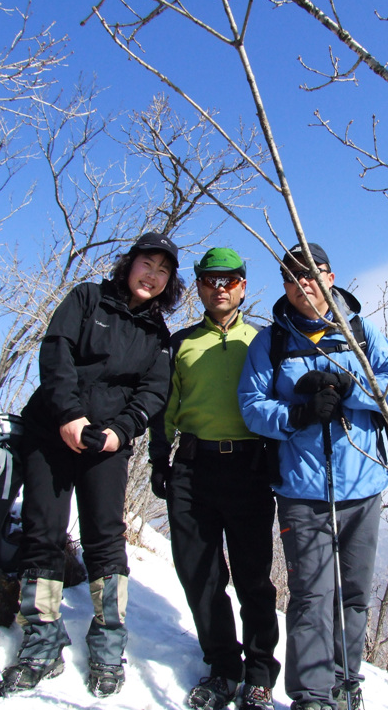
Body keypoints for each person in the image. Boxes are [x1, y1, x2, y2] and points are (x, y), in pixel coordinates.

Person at [1, 231, 184, 698]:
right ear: (130, 264)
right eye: (148, 264)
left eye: (164, 271)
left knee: (105, 539)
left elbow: (153, 393)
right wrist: (67, 415)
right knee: (43, 532)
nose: (154, 276)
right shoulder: (86, 298)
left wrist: (120, 431)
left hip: (107, 444)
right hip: (52, 432)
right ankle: (41, 640)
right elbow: (55, 353)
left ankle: (108, 641)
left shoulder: (157, 334)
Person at [237, 243, 388, 710]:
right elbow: (252, 408)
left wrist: (354, 391)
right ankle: (312, 696)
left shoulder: (360, 331)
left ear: (330, 277)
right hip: (301, 491)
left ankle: (346, 681)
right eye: (292, 278)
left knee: (352, 595)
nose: (302, 284)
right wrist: (299, 414)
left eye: (311, 274)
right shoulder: (270, 342)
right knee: (311, 596)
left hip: (362, 487)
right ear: (286, 288)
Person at [149, 248, 281, 710]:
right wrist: (159, 458)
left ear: (243, 285)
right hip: (192, 467)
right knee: (200, 574)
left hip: (250, 469)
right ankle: (224, 667)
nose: (219, 288)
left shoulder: (264, 341)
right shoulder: (181, 342)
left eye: (228, 280)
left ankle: (261, 674)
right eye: (209, 280)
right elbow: (165, 406)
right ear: (199, 286)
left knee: (253, 578)